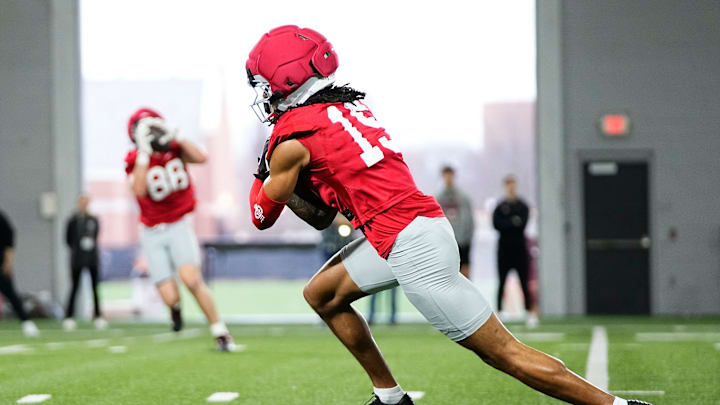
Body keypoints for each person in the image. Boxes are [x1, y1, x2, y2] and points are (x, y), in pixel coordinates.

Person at [244, 26, 650, 405]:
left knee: (505, 353)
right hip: (408, 228)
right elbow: (321, 215)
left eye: (264, 85)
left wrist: (262, 171)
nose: (263, 95)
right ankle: (390, 398)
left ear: (287, 80)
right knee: (323, 294)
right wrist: (282, 176)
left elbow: (261, 216)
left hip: (410, 245)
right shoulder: (346, 105)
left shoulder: (292, 139)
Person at [124, 107, 236, 351]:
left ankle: (220, 332)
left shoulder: (175, 148)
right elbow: (139, 190)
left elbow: (202, 157)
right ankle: (175, 310)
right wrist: (144, 152)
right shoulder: (135, 159)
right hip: (152, 230)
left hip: (178, 223)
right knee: (170, 297)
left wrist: (175, 135)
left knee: (191, 279)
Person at [492, 175, 538, 328]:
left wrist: (509, 223)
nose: (511, 188)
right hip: (504, 250)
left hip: (519, 250)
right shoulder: (499, 207)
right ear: (505, 187)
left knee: (524, 282)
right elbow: (497, 225)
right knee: (502, 282)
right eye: (508, 186)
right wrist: (513, 222)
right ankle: (498, 312)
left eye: (513, 185)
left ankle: (530, 312)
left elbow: (522, 224)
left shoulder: (523, 206)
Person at [63, 194, 105, 330]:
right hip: (77, 259)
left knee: (95, 287)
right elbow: (68, 239)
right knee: (75, 287)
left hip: (92, 258)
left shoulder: (93, 220)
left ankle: (98, 315)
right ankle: (69, 316)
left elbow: (96, 236)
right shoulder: (73, 220)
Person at [0, 209, 39, 337]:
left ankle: (27, 322)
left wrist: (8, 261)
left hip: (0, 263)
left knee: (10, 293)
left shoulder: (1, 218)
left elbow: (9, 239)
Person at [435, 166, 475, 279]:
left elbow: (470, 221)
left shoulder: (463, 198)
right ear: (442, 177)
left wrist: (467, 240)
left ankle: (467, 297)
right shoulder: (438, 199)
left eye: (450, 176)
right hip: (446, 244)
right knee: (447, 276)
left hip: (463, 243)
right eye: (446, 176)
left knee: (465, 276)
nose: (448, 179)